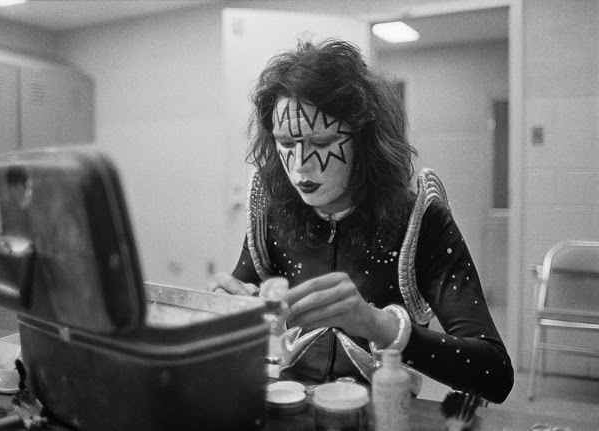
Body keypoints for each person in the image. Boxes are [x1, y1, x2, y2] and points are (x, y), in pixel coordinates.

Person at [209, 39, 514, 403]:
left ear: (365, 140)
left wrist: (379, 325)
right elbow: (241, 299)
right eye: (286, 143)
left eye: (322, 141)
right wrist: (223, 310)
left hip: (385, 413)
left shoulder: (422, 221)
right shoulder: (273, 213)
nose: (300, 164)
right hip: (293, 407)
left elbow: (495, 375)